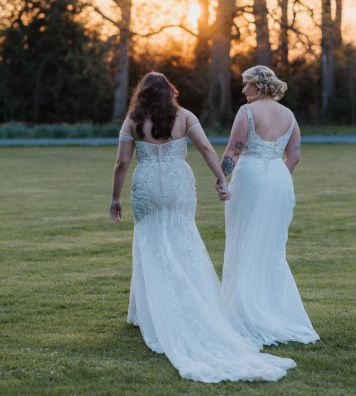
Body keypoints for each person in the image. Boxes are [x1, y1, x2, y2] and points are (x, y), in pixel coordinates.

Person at [109, 71, 296, 383]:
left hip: (147, 186)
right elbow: (208, 149)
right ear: (170, 92)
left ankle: (146, 313)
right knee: (184, 241)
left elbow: (121, 163)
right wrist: (221, 179)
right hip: (179, 184)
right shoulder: (184, 116)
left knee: (149, 243)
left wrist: (115, 198)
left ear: (141, 94)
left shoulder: (132, 120)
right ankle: (177, 305)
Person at [220, 65, 319, 347]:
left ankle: (244, 310)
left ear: (259, 86)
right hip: (279, 180)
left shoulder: (247, 112)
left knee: (244, 241)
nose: (243, 90)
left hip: (250, 178)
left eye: (247, 85)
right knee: (273, 247)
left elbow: (234, 151)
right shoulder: (289, 115)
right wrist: (278, 178)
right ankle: (274, 309)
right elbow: (295, 155)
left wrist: (221, 179)